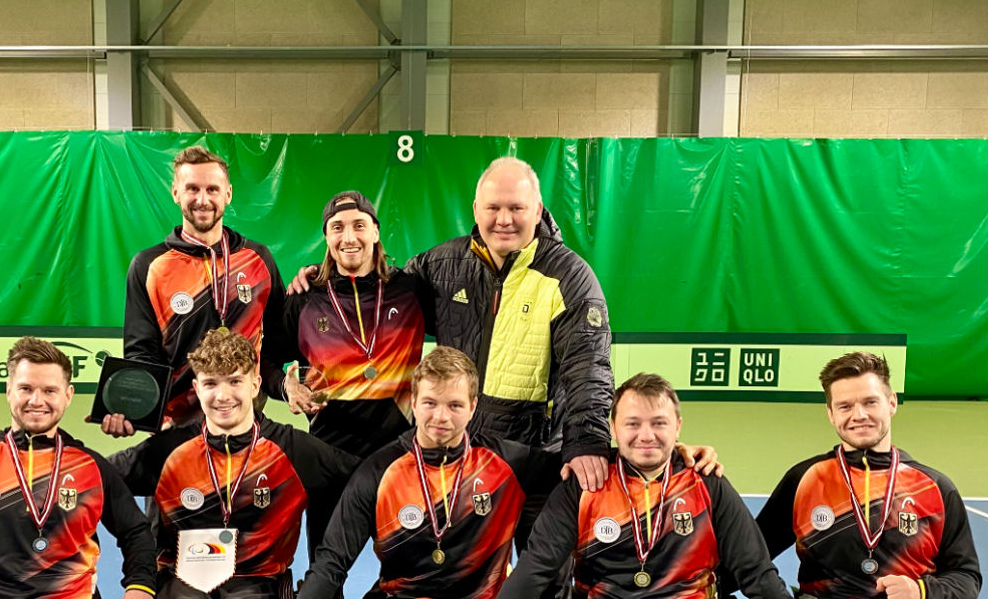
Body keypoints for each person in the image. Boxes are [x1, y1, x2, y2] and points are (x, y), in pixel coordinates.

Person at [292, 157, 616, 494]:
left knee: (539, 548)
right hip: (453, 456)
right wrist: (329, 274)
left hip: (532, 460)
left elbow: (589, 368)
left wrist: (588, 442)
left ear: (537, 210)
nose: (503, 220)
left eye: (516, 208)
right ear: (476, 210)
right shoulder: (443, 264)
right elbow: (384, 286)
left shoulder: (570, 277)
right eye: (493, 208)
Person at [297, 345, 571, 599]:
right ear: (414, 402)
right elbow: (331, 562)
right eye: (430, 403)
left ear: (473, 406)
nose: (441, 417)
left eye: (455, 405)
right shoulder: (379, 472)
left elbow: (582, 470)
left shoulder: (509, 463)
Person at [114, 329, 362, 598]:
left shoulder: (292, 449)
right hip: (179, 586)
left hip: (260, 585)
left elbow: (372, 480)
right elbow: (91, 478)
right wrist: (139, 579)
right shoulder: (169, 449)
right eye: (211, 384)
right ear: (197, 388)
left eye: (234, 381)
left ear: (255, 385)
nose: (223, 396)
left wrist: (321, 582)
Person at [499, 373, 791, 599]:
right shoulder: (586, 484)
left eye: (659, 423)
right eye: (633, 424)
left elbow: (756, 572)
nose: (646, 435)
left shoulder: (706, 482)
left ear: (677, 427)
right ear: (613, 428)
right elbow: (535, 568)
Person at [0, 336, 156, 599]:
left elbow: (136, 533)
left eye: (49, 391)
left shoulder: (91, 467)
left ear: (68, 395)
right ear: (9, 390)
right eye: (26, 389)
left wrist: (139, 588)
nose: (37, 401)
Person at [746, 352, 981, 599]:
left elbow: (966, 577)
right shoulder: (804, 480)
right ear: (831, 413)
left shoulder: (935, 488)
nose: (859, 415)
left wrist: (921, 591)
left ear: (891, 403)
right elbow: (748, 560)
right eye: (845, 406)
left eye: (870, 402)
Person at [111, 145, 292, 434]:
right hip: (177, 427)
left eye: (212, 189)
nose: (202, 199)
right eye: (192, 189)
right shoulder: (148, 265)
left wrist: (282, 386)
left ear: (228, 194)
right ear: (176, 193)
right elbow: (141, 354)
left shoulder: (258, 259)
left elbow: (277, 344)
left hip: (246, 421)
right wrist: (136, 409)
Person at [282, 190, 434, 458]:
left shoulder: (411, 290)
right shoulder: (305, 298)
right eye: (337, 228)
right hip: (328, 454)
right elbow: (268, 358)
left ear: (375, 232)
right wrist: (288, 386)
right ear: (327, 237)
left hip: (400, 453)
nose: (349, 238)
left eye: (359, 226)